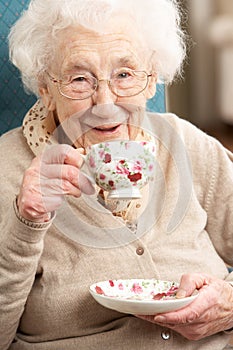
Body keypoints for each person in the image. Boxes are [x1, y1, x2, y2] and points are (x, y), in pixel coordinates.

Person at [0, 0, 233, 349]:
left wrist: (229, 306)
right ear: (45, 88)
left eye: (124, 75)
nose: (105, 102)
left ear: (152, 79)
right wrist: (27, 221)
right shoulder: (8, 168)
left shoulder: (186, 144)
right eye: (80, 79)